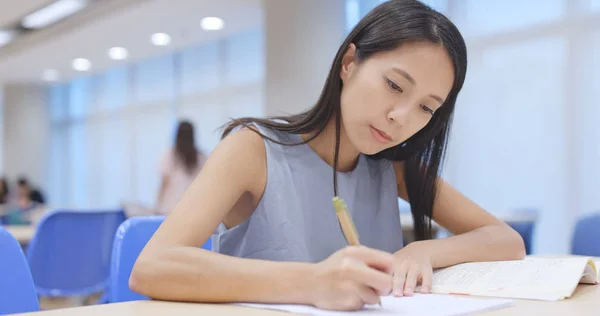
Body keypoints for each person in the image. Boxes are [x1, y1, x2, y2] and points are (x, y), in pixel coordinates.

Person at [131, 0, 525, 311]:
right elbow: (152, 268)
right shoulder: (253, 149)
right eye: (393, 85)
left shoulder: (394, 167)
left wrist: (422, 249)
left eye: (426, 108)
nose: (401, 117)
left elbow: (506, 240)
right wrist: (312, 282)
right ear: (349, 63)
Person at [156, 120, 207, 215]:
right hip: (193, 208)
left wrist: (157, 205)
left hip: (170, 209)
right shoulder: (201, 157)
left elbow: (164, 183)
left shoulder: (169, 155)